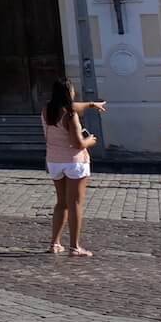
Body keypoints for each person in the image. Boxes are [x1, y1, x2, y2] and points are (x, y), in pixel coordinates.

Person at [42, 78, 107, 256]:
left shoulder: (47, 110)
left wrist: (93, 104)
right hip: (74, 162)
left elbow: (77, 106)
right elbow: (78, 143)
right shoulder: (70, 115)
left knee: (61, 203)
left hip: (54, 161)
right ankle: (75, 246)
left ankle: (54, 243)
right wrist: (91, 141)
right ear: (69, 93)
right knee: (75, 204)